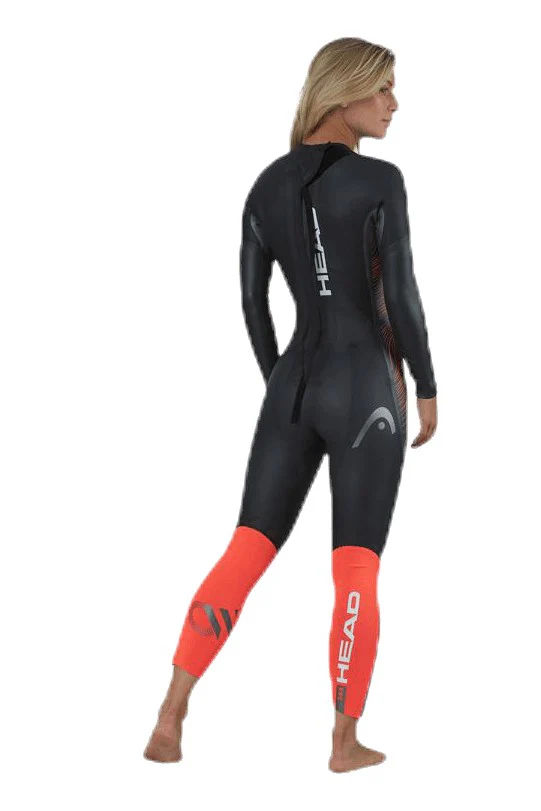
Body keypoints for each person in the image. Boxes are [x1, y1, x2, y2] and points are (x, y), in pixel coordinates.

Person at [144, 36, 437, 773]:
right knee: (355, 566)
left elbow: (252, 302)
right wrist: (428, 386)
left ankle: (170, 717)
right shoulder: (380, 181)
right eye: (383, 88)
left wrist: (281, 385)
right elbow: (401, 295)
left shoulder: (266, 184)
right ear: (344, 92)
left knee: (246, 547)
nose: (394, 104)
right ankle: (343, 740)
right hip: (367, 389)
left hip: (291, 388)